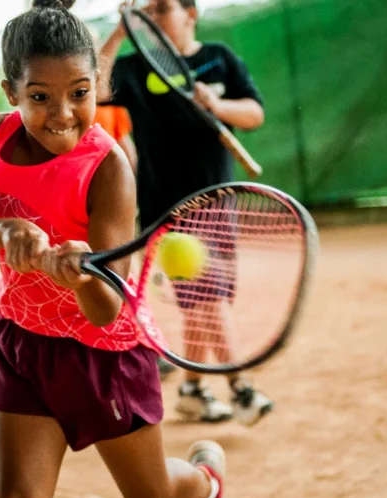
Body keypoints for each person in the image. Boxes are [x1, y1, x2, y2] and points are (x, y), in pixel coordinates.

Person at [0, 1, 227, 498]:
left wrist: (81, 275)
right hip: (24, 340)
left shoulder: (108, 167)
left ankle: (204, 487)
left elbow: (105, 310)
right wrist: (4, 230)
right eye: (39, 97)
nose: (63, 113)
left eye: (79, 93)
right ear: (10, 93)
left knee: (149, 495)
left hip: (103, 355)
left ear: (99, 84)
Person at [96, 0, 273, 426]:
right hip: (168, 210)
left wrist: (217, 105)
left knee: (204, 302)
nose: (154, 17)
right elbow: (96, 88)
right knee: (207, 297)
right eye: (149, 11)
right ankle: (240, 387)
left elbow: (254, 113)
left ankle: (192, 390)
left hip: (218, 201)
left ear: (191, 13)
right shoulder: (135, 68)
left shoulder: (219, 58)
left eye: (163, 9)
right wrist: (120, 31)